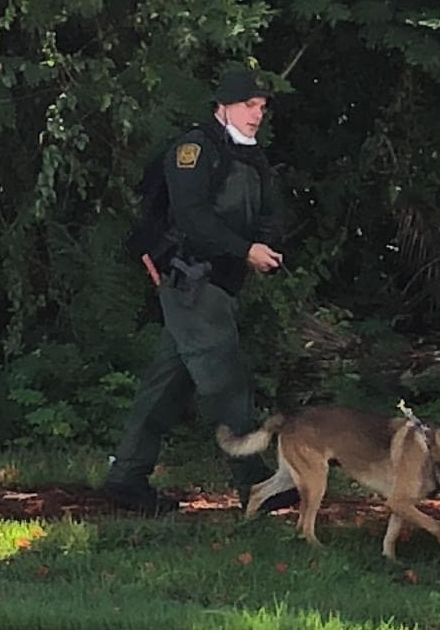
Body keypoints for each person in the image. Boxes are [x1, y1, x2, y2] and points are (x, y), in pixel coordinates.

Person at [101, 67, 299, 516]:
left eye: (262, 107)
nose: (257, 114)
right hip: (191, 280)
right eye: (249, 105)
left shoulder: (251, 155)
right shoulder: (194, 149)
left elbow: (269, 211)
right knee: (225, 380)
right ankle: (255, 484)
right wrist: (245, 248)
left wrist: (265, 244)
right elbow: (192, 219)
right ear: (223, 106)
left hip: (218, 284)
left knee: (165, 384)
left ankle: (126, 477)